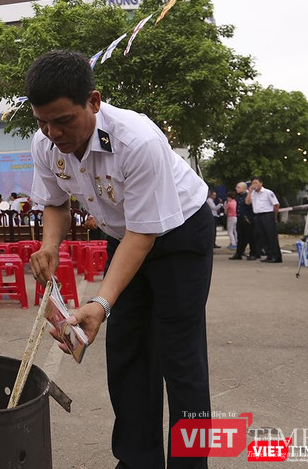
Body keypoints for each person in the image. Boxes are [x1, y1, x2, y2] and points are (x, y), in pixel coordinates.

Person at [26, 51, 213, 468]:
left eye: (63, 120)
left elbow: (145, 232)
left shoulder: (137, 140)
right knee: (128, 352)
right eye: (43, 122)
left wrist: (101, 303)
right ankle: (137, 460)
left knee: (180, 357)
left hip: (179, 234)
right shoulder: (45, 142)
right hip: (124, 235)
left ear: (93, 101)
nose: (53, 132)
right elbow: (55, 204)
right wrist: (50, 246)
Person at [246, 177, 282, 263]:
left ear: (261, 183)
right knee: (262, 237)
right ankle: (269, 255)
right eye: (253, 183)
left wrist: (274, 216)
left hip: (267, 215)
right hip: (258, 216)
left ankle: (275, 256)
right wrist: (250, 192)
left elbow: (276, 204)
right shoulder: (253, 193)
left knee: (271, 236)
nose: (255, 185)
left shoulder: (268, 192)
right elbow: (247, 202)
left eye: (256, 183)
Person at [229, 182, 258, 260]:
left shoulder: (248, 195)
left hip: (247, 218)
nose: (236, 189)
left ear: (244, 188)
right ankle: (239, 253)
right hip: (239, 217)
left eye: (238, 187)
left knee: (250, 236)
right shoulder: (238, 196)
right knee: (240, 237)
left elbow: (248, 203)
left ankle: (253, 253)